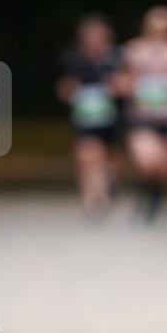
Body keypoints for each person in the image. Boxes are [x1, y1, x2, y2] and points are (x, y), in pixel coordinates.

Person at [119, 6, 167, 220]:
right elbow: (122, 80)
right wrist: (132, 85)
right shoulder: (134, 50)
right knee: (148, 161)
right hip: (142, 117)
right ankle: (147, 194)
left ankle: (159, 198)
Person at [55, 14, 123, 216]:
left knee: (109, 164)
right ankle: (91, 201)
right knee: (88, 158)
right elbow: (62, 88)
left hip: (113, 121)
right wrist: (71, 91)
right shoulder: (72, 59)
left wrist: (117, 87)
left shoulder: (118, 58)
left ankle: (107, 187)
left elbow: (129, 83)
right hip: (86, 120)